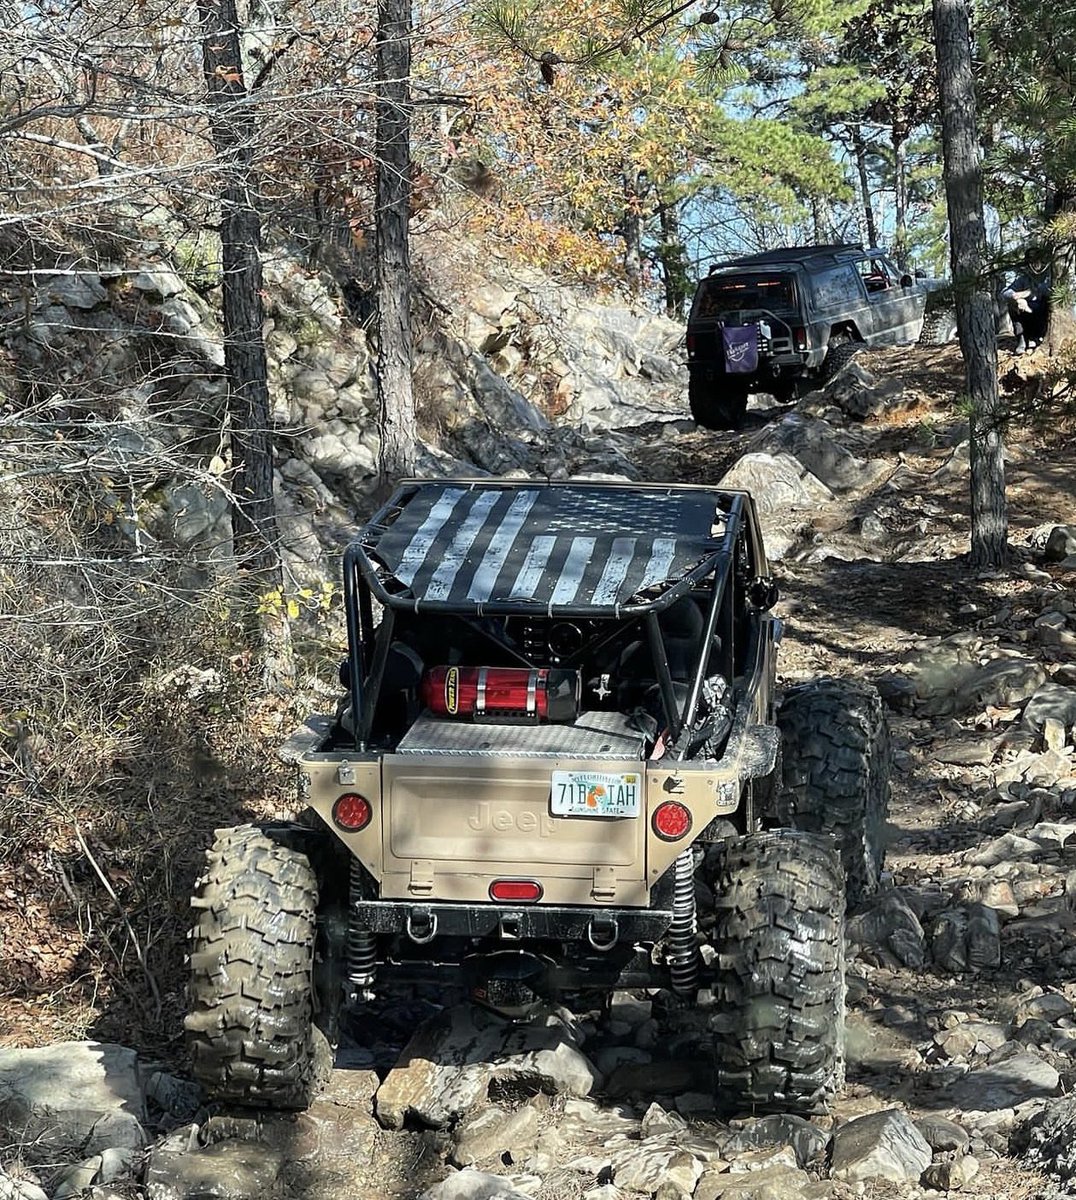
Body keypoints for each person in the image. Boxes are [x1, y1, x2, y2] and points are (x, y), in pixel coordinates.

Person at [1002, 251, 1051, 354]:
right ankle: (1022, 340)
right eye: (1031, 261)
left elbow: (1048, 291)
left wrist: (1029, 293)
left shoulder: (1049, 276)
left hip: (1042, 315)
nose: (1034, 264)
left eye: (1037, 260)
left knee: (1046, 303)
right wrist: (1017, 299)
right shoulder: (1023, 279)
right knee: (1012, 306)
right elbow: (1005, 292)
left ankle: (1037, 338)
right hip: (1026, 314)